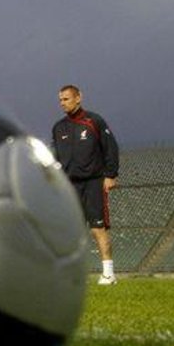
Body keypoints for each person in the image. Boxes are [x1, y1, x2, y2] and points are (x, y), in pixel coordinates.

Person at [52, 84, 120, 285]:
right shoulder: (58, 127)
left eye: (66, 98)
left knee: (98, 228)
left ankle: (109, 273)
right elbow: (57, 158)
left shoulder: (94, 121)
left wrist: (110, 175)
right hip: (70, 185)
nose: (62, 103)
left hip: (94, 182)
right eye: (60, 100)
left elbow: (111, 148)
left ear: (78, 98)